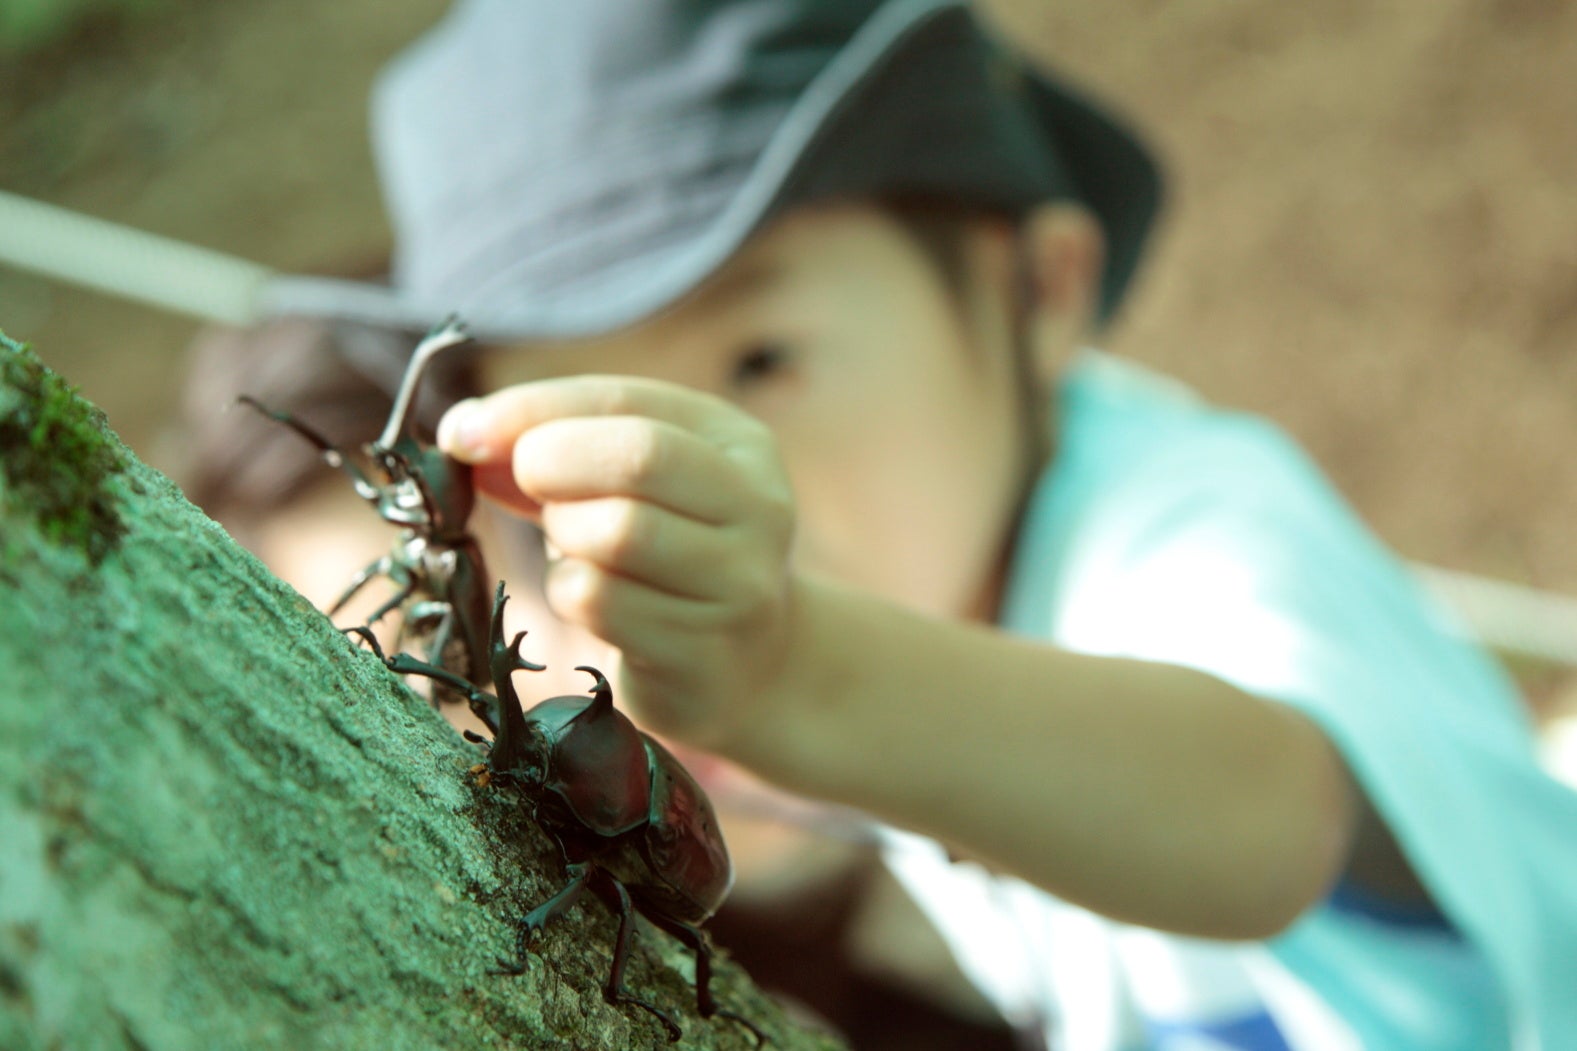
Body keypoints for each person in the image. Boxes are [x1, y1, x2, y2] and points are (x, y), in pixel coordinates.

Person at [256, 0, 1577, 1047]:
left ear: (1040, 289)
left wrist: (798, 673)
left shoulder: (1187, 530)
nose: (686, 465)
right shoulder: (944, 572)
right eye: (583, 426)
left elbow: (1270, 817)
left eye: (761, 357)